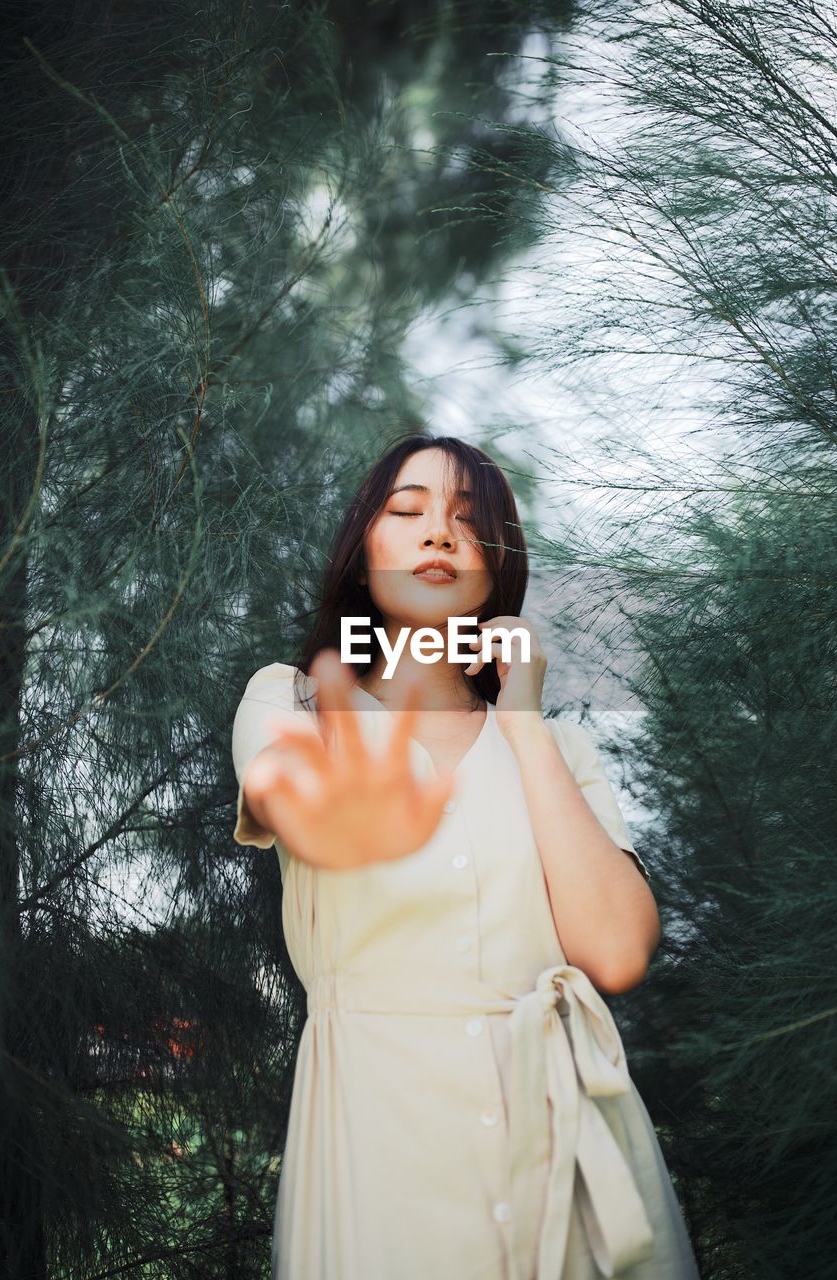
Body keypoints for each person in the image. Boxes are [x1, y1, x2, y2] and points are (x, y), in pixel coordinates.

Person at [231, 435, 700, 1279]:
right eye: (408, 512)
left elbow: (618, 950)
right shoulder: (290, 702)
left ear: (498, 564)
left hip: (565, 1139)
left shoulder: (557, 747)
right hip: (380, 1138)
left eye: (468, 522)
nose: (439, 535)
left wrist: (521, 720)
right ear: (362, 549)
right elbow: (308, 809)